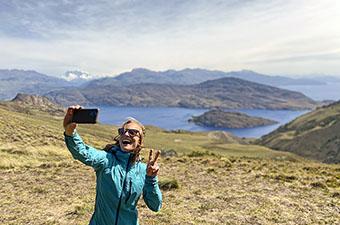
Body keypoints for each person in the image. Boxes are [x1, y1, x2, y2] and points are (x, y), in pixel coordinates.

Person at [63, 105, 162, 225]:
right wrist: (70, 132)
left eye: (132, 132)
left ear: (140, 141)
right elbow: (83, 152)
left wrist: (151, 179)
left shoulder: (143, 170)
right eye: (122, 131)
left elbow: (155, 206)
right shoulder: (106, 159)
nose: (126, 134)